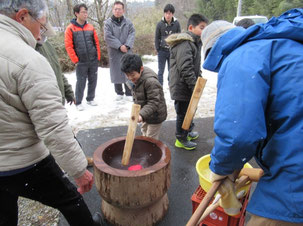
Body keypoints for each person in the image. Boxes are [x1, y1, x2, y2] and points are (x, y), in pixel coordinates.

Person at [0, 1, 104, 225]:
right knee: (69, 199)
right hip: (21, 160)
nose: (42, 32)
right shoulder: (26, 59)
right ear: (22, 16)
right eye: (42, 23)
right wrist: (78, 170)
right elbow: (52, 127)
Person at [201, 8, 303, 225]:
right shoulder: (278, 45)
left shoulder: (241, 56)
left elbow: (238, 132)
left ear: (213, 51)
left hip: (295, 173)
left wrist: (219, 168)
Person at [166, 14, 208, 150]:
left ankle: (188, 131)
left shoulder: (195, 43)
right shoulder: (185, 43)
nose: (204, 31)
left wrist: (199, 79)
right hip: (181, 86)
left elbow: (195, 66)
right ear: (191, 27)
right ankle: (181, 138)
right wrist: (194, 85)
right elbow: (185, 68)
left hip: (189, 85)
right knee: (182, 113)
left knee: (190, 110)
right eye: (202, 27)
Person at [121, 54, 167, 140]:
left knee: (151, 139)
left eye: (132, 74)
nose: (130, 78)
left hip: (155, 115)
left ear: (141, 69)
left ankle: (153, 152)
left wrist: (141, 114)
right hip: (146, 114)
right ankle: (146, 150)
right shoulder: (136, 78)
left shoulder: (150, 81)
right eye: (127, 75)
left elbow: (153, 102)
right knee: (144, 132)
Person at [65, 3, 101, 111]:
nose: (85, 14)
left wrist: (97, 56)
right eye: (83, 12)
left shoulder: (90, 27)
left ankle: (90, 98)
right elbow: (68, 46)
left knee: (93, 79)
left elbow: (96, 43)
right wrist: (75, 60)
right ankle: (78, 101)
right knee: (81, 81)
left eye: (86, 12)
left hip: (93, 59)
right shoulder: (70, 28)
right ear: (76, 13)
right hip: (81, 61)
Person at [104, 1, 135, 101]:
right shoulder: (108, 23)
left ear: (123, 10)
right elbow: (108, 36)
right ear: (113, 10)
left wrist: (127, 45)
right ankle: (119, 92)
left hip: (127, 50)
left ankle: (129, 92)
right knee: (116, 70)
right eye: (115, 9)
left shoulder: (128, 22)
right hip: (115, 51)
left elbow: (132, 33)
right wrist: (119, 46)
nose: (117, 11)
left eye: (119, 9)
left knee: (128, 70)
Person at [155, 3, 181, 86]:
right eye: (166, 13)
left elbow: (179, 37)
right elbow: (156, 37)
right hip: (162, 51)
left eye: (169, 13)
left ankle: (171, 86)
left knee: (172, 70)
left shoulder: (177, 24)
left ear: (172, 14)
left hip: (172, 51)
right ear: (164, 14)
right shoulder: (160, 24)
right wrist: (158, 49)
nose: (167, 15)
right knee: (160, 70)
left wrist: (177, 50)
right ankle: (160, 86)